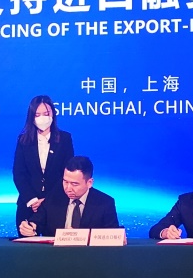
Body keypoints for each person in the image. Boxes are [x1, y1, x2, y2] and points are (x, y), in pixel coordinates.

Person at [12, 95, 74, 229]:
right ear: (31, 117)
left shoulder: (64, 139)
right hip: (28, 205)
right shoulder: (23, 140)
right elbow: (19, 174)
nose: (42, 118)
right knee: (26, 241)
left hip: (56, 205)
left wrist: (48, 201)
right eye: (37, 114)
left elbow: (68, 173)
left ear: (53, 114)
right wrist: (33, 200)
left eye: (46, 114)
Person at [19, 156, 118, 237]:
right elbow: (36, 222)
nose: (68, 188)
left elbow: (113, 235)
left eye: (74, 184)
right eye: (65, 182)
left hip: (90, 254)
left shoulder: (105, 203)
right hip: (56, 254)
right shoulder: (52, 199)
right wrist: (30, 227)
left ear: (89, 183)